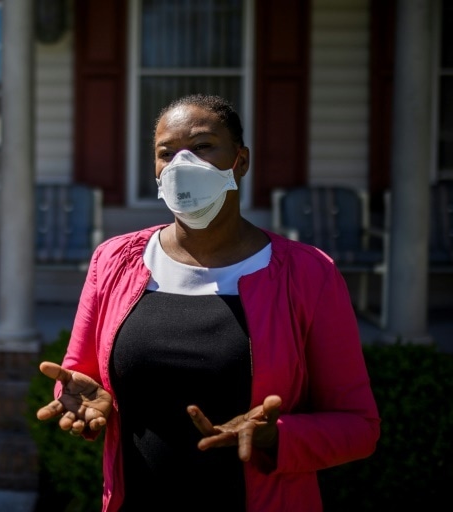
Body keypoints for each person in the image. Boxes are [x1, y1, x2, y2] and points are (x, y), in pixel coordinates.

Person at [35, 93, 380, 511]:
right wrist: (80, 399)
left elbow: (359, 427)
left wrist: (277, 437)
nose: (183, 164)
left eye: (202, 147)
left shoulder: (307, 274)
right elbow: (80, 375)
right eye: (167, 153)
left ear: (241, 160)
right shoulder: (113, 261)